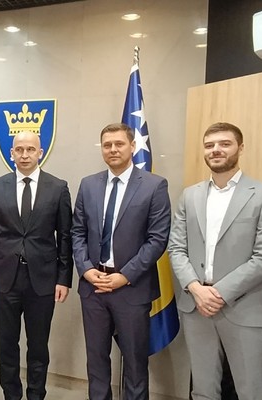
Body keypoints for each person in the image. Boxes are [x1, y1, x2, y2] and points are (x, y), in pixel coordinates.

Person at [168, 122, 262, 400]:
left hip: (244, 307)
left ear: (240, 148)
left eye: (224, 144)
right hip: (196, 306)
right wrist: (196, 289)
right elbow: (176, 248)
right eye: (209, 145)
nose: (216, 150)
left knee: (251, 392)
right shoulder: (190, 195)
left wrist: (218, 293)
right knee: (203, 391)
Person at [71, 123, 171, 400]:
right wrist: (86, 269)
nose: (113, 149)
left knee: (135, 363)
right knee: (96, 361)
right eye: (107, 145)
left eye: (119, 144)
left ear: (133, 146)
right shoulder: (88, 184)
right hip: (93, 287)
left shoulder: (154, 185)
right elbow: (77, 232)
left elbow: (157, 239)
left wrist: (125, 276)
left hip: (132, 288)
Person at [0, 131, 73, 400]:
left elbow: (65, 237)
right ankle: (11, 395)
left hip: (42, 280)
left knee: (38, 347)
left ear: (40, 152)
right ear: (11, 153)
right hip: (4, 280)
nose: (25, 155)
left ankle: (36, 395)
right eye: (19, 150)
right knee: (7, 345)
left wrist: (63, 279)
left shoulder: (58, 187)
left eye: (31, 149)